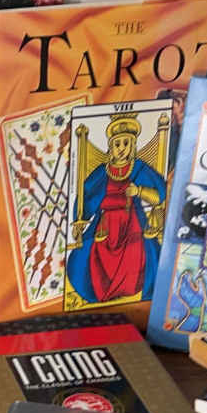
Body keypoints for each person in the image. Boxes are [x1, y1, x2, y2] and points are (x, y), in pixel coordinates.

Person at [65, 114, 166, 304]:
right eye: (117, 144)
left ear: (132, 145)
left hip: (131, 222)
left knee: (136, 254)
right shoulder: (103, 171)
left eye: (126, 143)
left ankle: (128, 291)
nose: (121, 148)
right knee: (92, 255)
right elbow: (86, 196)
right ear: (111, 147)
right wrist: (79, 219)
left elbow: (160, 195)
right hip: (105, 224)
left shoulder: (138, 167)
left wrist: (139, 191)